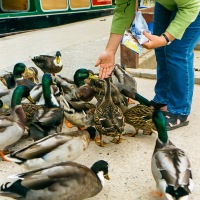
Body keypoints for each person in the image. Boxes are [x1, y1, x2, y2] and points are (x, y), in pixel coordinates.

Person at [95, 0, 200, 130]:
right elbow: (123, 10)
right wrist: (110, 51)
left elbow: (191, 6)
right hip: (167, 4)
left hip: (193, 5)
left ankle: (180, 110)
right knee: (161, 50)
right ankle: (163, 100)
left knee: (177, 51)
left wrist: (165, 38)